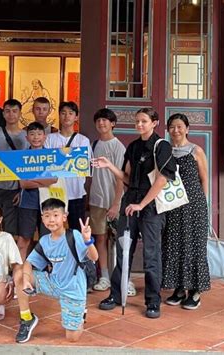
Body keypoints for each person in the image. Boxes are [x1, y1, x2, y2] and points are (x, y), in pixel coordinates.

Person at [93, 107, 176, 319]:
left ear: (154, 122)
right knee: (123, 251)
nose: (139, 124)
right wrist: (110, 166)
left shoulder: (162, 146)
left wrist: (142, 204)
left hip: (151, 208)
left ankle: (153, 301)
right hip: (130, 206)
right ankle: (116, 295)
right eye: (137, 121)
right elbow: (127, 178)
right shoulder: (133, 146)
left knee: (151, 255)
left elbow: (162, 180)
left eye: (144, 121)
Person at [13, 198, 98, 343]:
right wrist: (27, 280)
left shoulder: (74, 235)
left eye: (55, 215)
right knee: (19, 274)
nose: (51, 220)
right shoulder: (45, 240)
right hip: (53, 283)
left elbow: (94, 257)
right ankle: (27, 318)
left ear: (64, 217)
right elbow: (28, 262)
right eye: (47, 216)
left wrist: (88, 240)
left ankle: (80, 313)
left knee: (72, 338)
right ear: (42, 219)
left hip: (73, 289)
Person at [162, 113, 210, 310]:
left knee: (194, 246)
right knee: (175, 245)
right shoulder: (165, 151)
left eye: (180, 126)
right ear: (167, 130)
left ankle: (196, 291)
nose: (176, 130)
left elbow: (204, 179)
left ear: (187, 129)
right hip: (173, 206)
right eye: (172, 127)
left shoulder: (196, 150)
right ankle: (180, 288)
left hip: (194, 206)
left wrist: (203, 205)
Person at [88, 108, 126, 292]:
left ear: (113, 123)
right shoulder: (93, 145)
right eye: (98, 120)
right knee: (99, 238)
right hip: (97, 200)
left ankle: (123, 277)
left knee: (120, 240)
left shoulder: (118, 146)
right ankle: (104, 276)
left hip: (114, 201)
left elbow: (121, 177)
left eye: (105, 120)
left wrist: (116, 203)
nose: (101, 123)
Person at [0, 99, 29, 236]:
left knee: (13, 230)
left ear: (20, 113)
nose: (11, 114)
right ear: (3, 114)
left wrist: (22, 190)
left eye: (15, 111)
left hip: (17, 189)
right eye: (7, 111)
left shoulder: (26, 137)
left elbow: (29, 166)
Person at [45, 101, 90, 231]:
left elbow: (83, 166)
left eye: (70, 113)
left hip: (76, 192)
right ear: (59, 115)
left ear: (76, 117)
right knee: (54, 229)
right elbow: (47, 164)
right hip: (55, 192)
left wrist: (59, 162)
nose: (66, 116)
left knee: (77, 231)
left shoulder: (83, 140)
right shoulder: (50, 139)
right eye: (63, 113)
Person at [17, 121, 57, 260]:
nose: (36, 137)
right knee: (23, 240)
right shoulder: (22, 157)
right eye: (32, 134)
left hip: (48, 203)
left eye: (39, 134)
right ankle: (19, 273)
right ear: (27, 138)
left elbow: (53, 180)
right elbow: (24, 184)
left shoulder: (51, 156)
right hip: (27, 203)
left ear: (45, 137)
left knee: (48, 240)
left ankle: (46, 274)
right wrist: (43, 181)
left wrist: (34, 180)